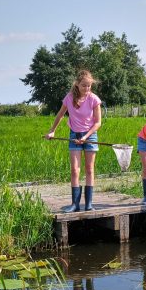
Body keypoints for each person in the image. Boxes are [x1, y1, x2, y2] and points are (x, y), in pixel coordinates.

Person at [45, 70, 102, 212]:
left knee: (89, 169)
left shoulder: (94, 99)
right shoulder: (69, 98)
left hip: (90, 136)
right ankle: (75, 204)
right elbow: (60, 115)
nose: (87, 88)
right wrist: (52, 130)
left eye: (89, 86)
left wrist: (85, 137)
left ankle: (88, 204)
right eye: (84, 85)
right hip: (74, 135)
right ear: (77, 84)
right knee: (74, 170)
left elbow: (98, 123)